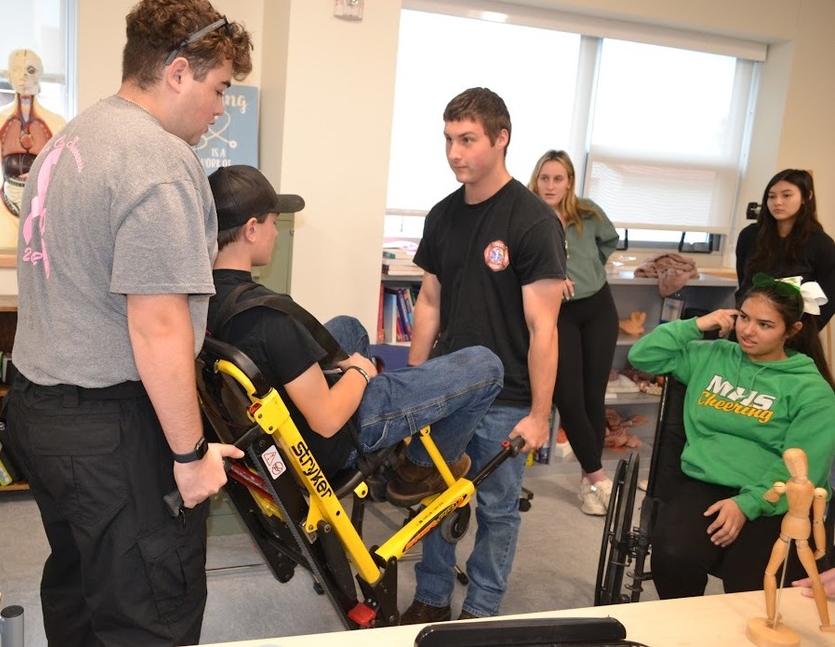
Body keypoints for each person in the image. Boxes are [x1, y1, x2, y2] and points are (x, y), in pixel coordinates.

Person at [2, 0, 253, 645]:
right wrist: (191, 455)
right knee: (150, 608)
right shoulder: (157, 161)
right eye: (220, 88)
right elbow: (159, 325)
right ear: (178, 72)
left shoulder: (71, 141)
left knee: (82, 589)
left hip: (40, 406)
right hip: (109, 426)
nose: (221, 108)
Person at [207, 164, 505, 504]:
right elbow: (327, 420)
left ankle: (387, 441)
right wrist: (361, 372)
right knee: (486, 365)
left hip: (275, 421)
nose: (276, 233)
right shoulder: (269, 320)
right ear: (250, 229)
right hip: (327, 442)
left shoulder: (206, 297)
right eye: (273, 222)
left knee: (349, 326)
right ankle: (417, 472)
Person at [400, 87, 567, 623]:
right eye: (449, 139)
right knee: (438, 498)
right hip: (448, 388)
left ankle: (482, 609)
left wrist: (539, 416)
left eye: (467, 140)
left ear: (501, 139)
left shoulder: (532, 222)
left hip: (507, 394)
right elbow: (429, 302)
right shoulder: (444, 216)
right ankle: (430, 597)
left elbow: (545, 328)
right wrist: (414, 388)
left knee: (497, 508)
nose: (454, 152)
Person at [627, 275, 835, 599]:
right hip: (708, 481)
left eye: (765, 325)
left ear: (791, 331)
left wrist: (747, 504)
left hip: (773, 493)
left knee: (750, 584)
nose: (748, 331)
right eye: (743, 317)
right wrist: (698, 324)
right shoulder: (713, 356)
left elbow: (804, 469)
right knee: (672, 554)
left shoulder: (811, 390)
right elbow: (643, 355)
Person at [529, 149, 620, 516]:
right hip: (557, 313)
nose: (550, 185)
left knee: (593, 398)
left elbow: (608, 244)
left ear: (570, 181)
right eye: (544, 178)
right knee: (568, 398)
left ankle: (587, 481)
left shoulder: (588, 212)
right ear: (536, 179)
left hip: (598, 308)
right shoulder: (527, 215)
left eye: (558, 178)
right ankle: (600, 477)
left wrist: (589, 272)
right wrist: (553, 276)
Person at [0, 49, 67, 249]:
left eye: (30, 70)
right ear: (8, 75)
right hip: (6, 207)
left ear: (40, 74)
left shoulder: (57, 123)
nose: (23, 77)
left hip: (41, 210)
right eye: (17, 70)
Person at [735, 169, 835, 329]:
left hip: (793, 332)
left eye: (786, 195)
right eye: (772, 196)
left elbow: (829, 298)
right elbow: (743, 283)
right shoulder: (750, 235)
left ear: (806, 197)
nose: (778, 202)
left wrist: (800, 333)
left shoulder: (822, 244)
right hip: (748, 327)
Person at [758, 448, 832, 632]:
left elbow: (817, 521)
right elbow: (768, 498)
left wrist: (822, 547)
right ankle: (771, 616)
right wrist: (775, 491)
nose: (794, 468)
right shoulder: (790, 485)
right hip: (788, 531)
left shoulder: (814, 491)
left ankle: (826, 623)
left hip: (799, 534)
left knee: (814, 579)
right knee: (770, 572)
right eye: (790, 463)